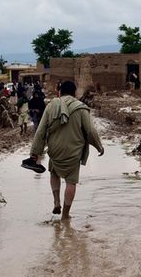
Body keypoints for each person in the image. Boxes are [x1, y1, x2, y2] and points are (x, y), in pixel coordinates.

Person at [29, 80, 104, 220]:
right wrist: (99, 146)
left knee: (54, 172)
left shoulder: (51, 106)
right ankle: (65, 215)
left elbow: (40, 131)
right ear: (74, 93)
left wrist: (35, 153)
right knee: (71, 182)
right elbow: (90, 131)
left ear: (60, 91)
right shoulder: (81, 108)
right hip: (73, 151)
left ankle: (56, 201)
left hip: (55, 150)